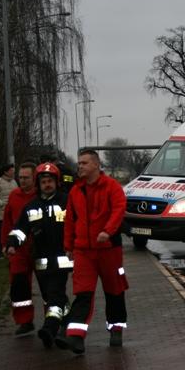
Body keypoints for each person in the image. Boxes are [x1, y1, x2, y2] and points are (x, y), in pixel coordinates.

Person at [56, 149, 128, 354]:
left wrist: (108, 231)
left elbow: (118, 209)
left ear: (96, 165)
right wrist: (68, 246)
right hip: (84, 251)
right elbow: (70, 220)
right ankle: (76, 337)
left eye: (84, 163)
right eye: (79, 163)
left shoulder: (111, 187)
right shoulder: (76, 191)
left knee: (114, 290)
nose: (80, 167)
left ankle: (116, 328)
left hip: (108, 249)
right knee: (83, 292)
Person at [6, 162, 72, 347]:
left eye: (50, 181)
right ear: (39, 184)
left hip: (62, 260)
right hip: (41, 261)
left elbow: (78, 223)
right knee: (53, 296)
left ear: (56, 182)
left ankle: (49, 328)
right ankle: (66, 325)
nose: (47, 184)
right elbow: (20, 229)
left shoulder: (67, 201)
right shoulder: (31, 206)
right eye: (44, 181)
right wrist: (12, 243)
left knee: (54, 294)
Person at [1, 162, 37, 335]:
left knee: (48, 285)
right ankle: (24, 320)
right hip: (19, 249)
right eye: (20, 177)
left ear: (34, 178)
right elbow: (7, 221)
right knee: (19, 284)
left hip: (39, 247)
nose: (22, 181)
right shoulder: (14, 196)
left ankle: (53, 321)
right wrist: (6, 244)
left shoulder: (41, 195)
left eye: (26, 177)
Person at [0, 163, 18, 258]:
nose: (13, 172)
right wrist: (1, 204)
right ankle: (0, 254)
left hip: (12, 212)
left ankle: (12, 250)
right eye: (11, 170)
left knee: (13, 232)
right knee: (1, 234)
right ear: (6, 172)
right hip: (1, 213)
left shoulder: (14, 182)